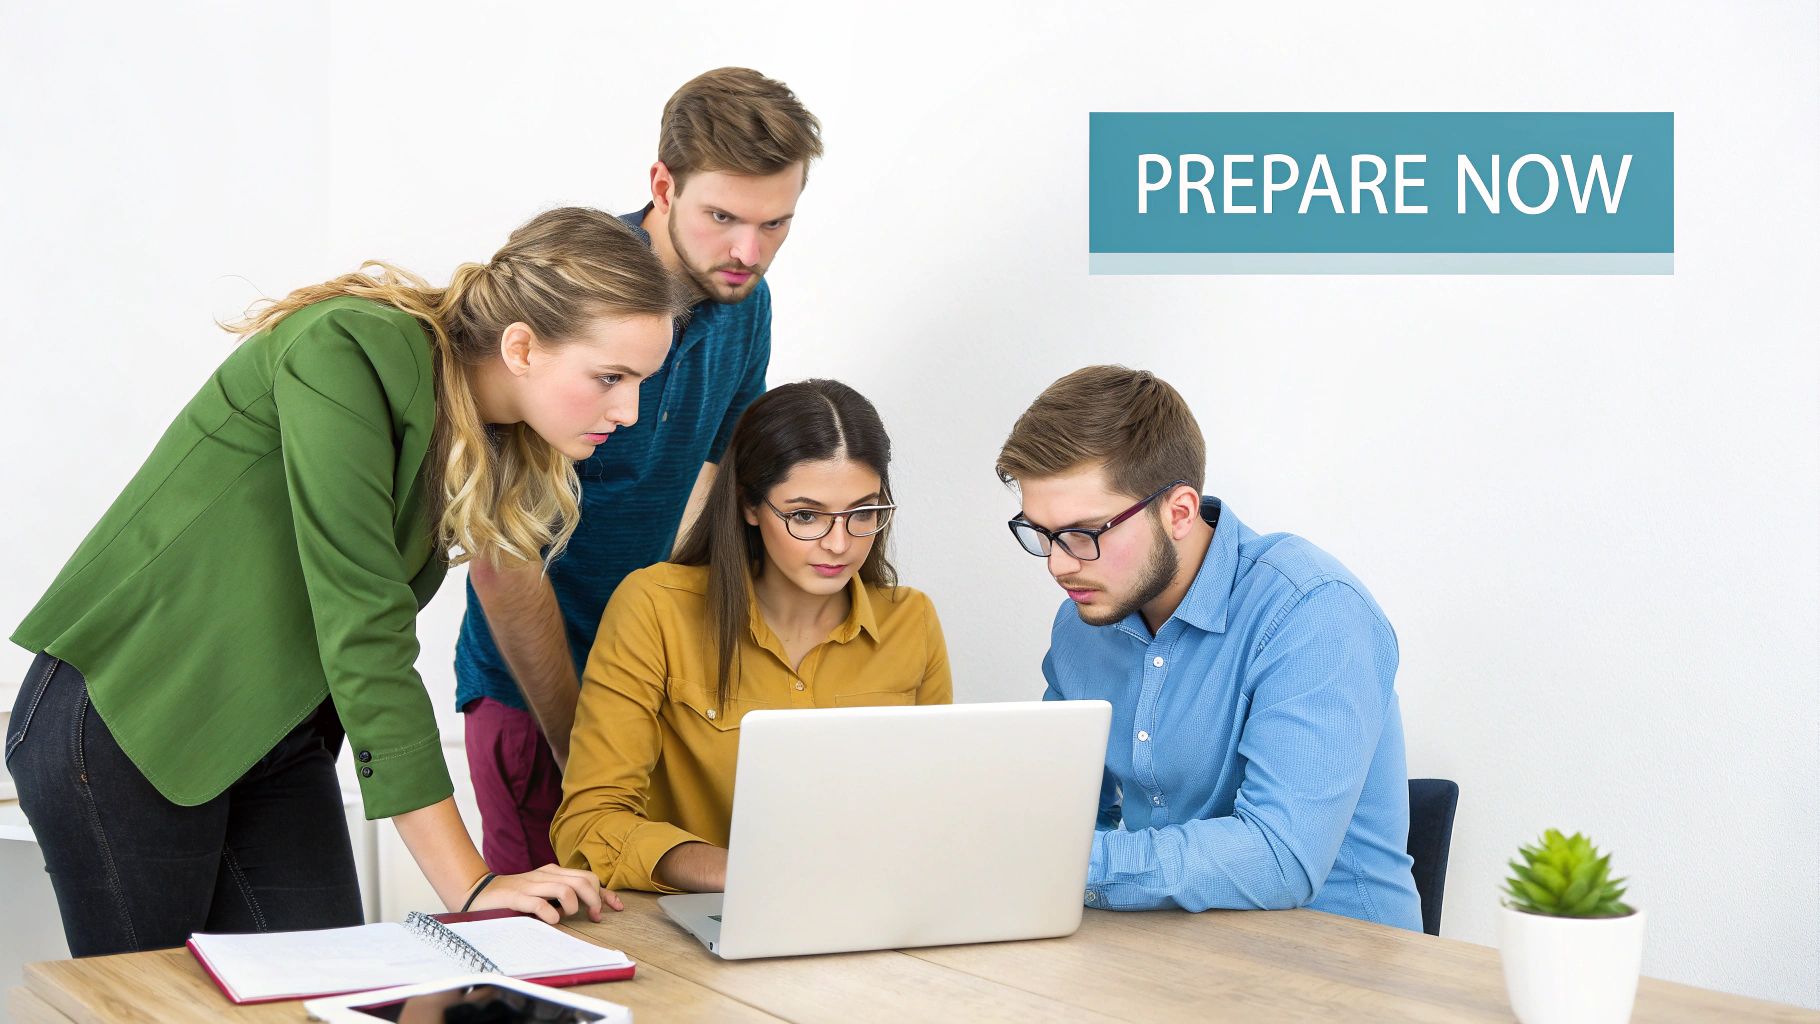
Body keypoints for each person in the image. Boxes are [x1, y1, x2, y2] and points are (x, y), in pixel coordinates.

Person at [5, 207, 683, 956]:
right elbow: (364, 624)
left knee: (327, 994)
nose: (630, 411)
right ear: (521, 346)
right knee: (154, 1009)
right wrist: (474, 884)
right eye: (611, 378)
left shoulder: (492, 437)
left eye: (641, 382)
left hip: (277, 736)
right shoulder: (348, 347)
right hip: (133, 719)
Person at [456, 67, 823, 876]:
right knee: (547, 957)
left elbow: (712, 490)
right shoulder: (571, 295)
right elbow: (501, 561)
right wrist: (581, 742)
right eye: (722, 217)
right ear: (662, 184)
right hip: (531, 689)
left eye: (776, 224)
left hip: (648, 688)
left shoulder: (745, 301)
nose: (747, 252)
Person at [994, 365, 1423, 929]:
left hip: (1344, 972)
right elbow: (1067, 813)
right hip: (1170, 954)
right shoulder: (1080, 626)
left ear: (1179, 512)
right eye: (1041, 534)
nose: (1058, 563)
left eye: (1085, 534)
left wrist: (1059, 864)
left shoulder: (1314, 611)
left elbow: (1279, 857)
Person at [551, 380, 952, 893]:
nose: (838, 544)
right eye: (805, 515)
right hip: (698, 925)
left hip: (867, 916)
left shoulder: (911, 621)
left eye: (863, 513)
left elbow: (933, 812)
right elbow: (589, 823)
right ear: (749, 505)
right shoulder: (655, 607)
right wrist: (742, 875)